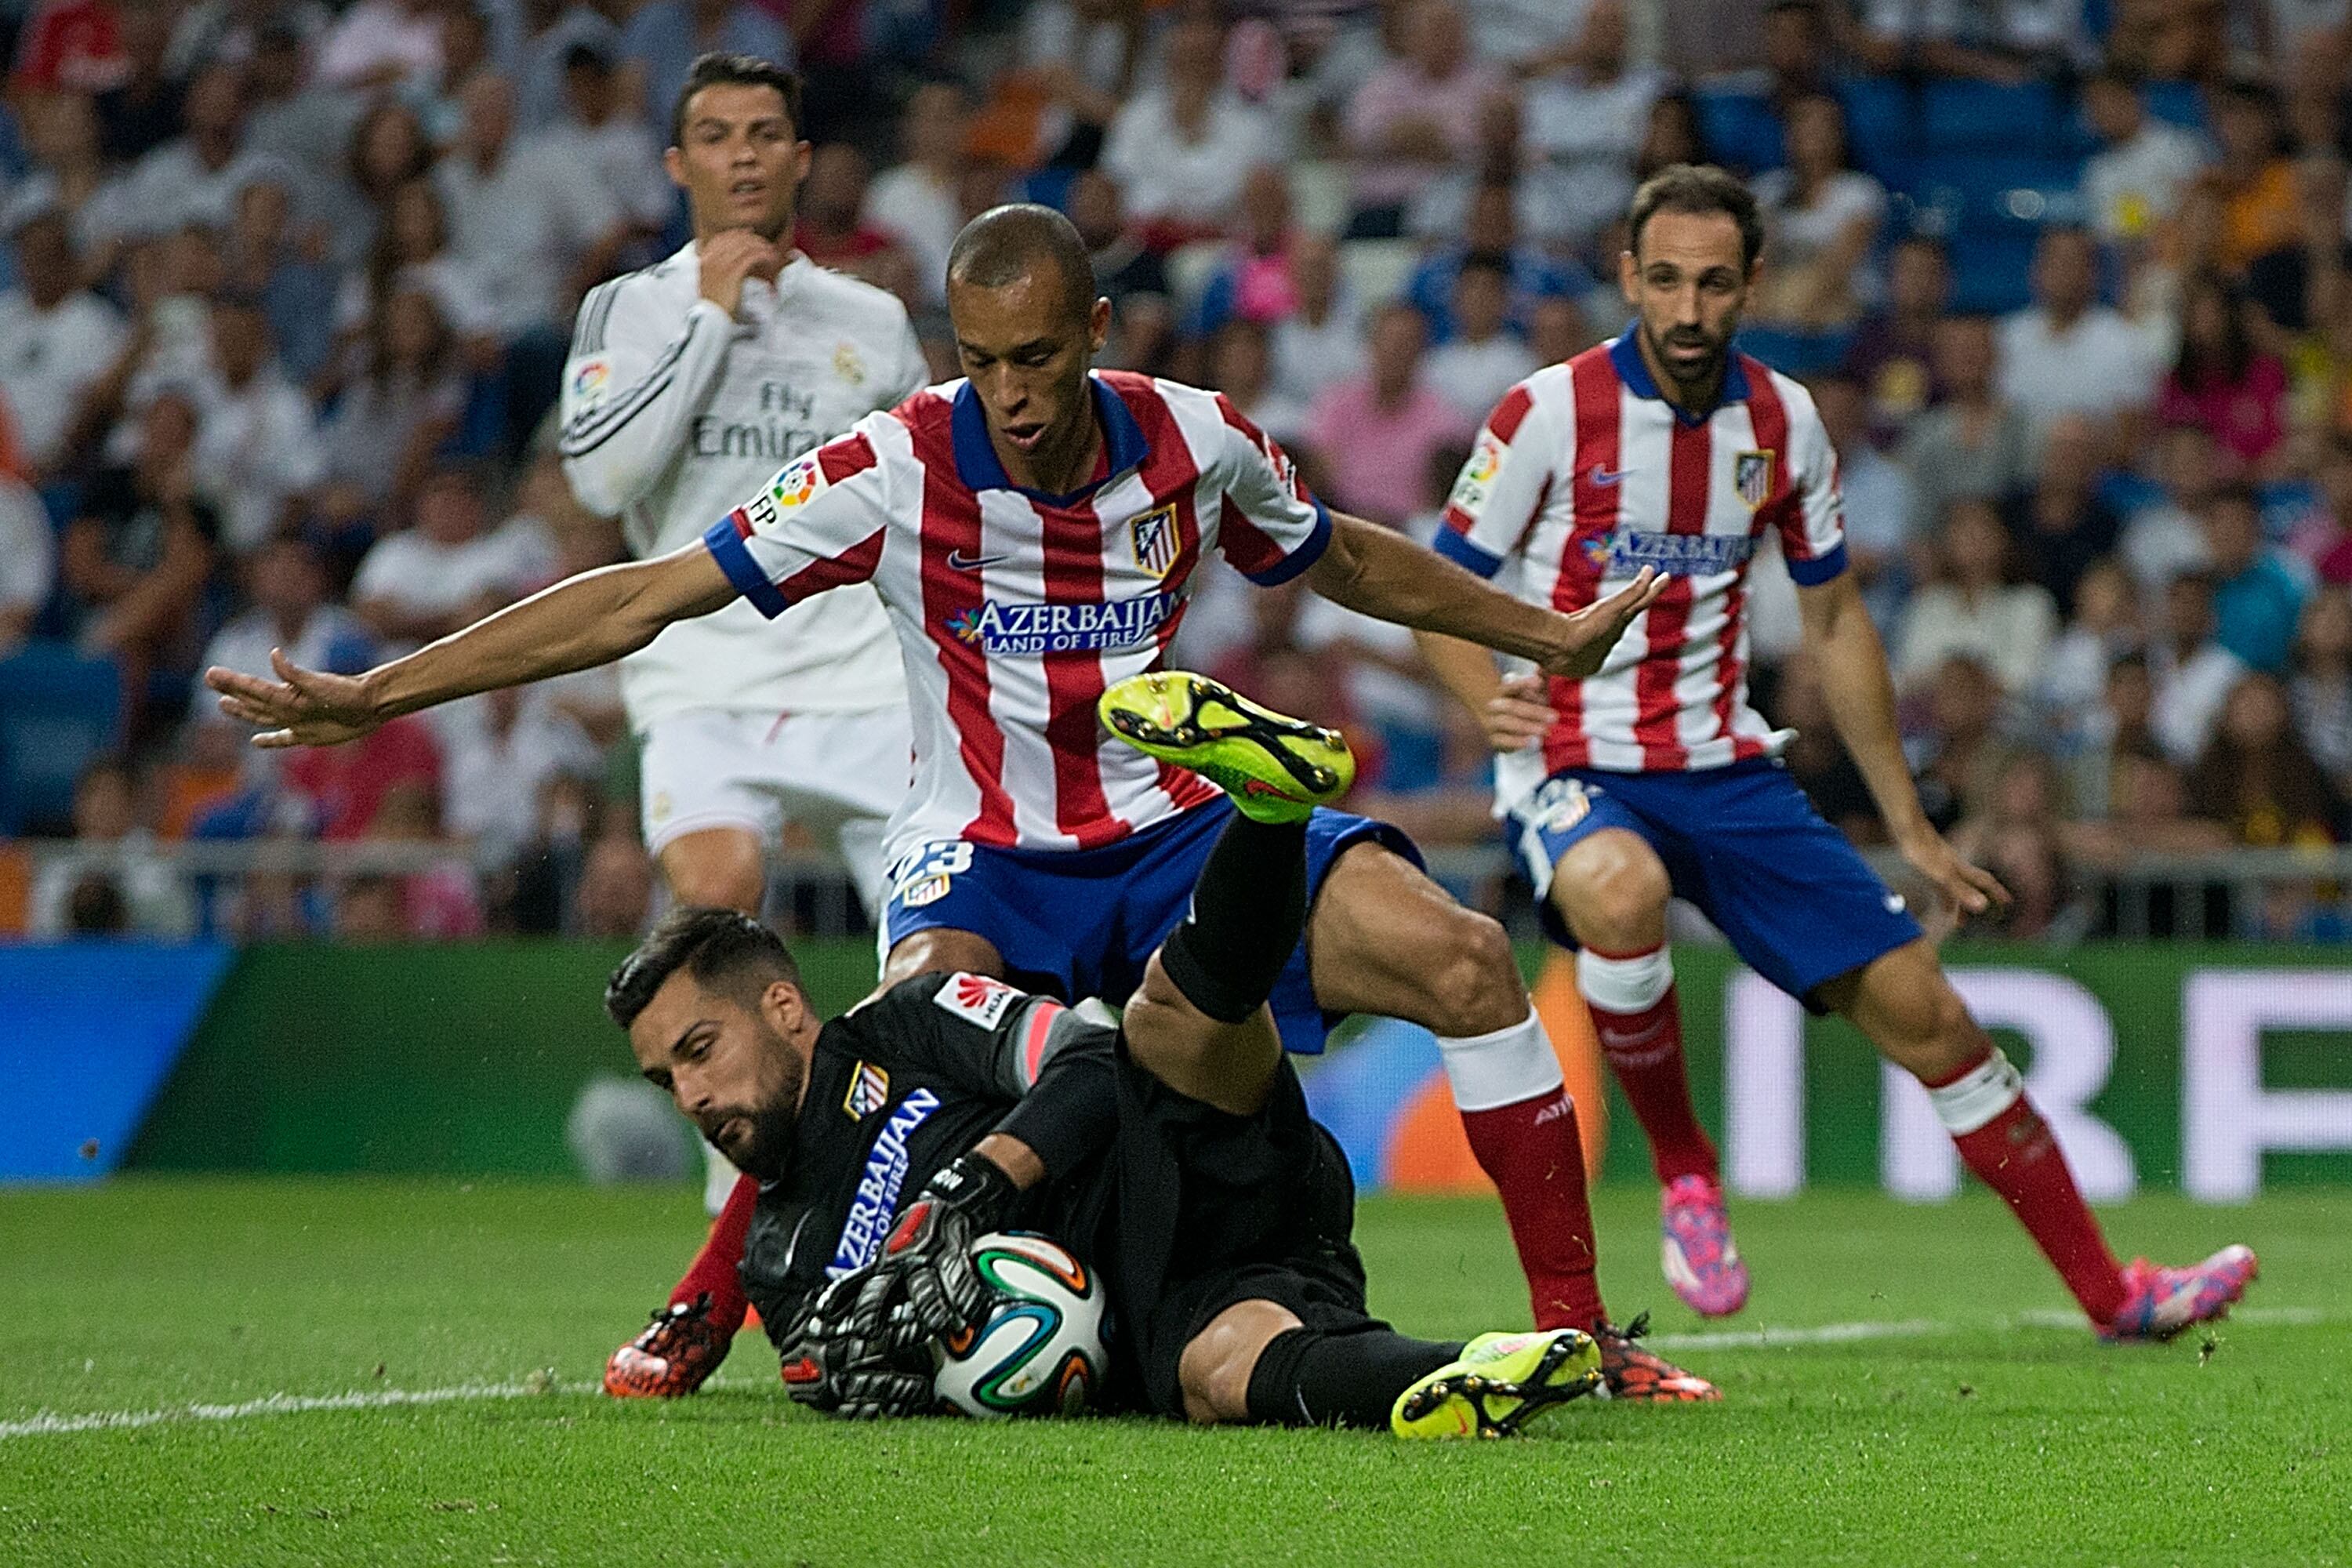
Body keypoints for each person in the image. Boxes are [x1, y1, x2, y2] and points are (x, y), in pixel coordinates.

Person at [206, 199, 1715, 1404]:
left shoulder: (1192, 437)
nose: (1014, 394)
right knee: (872, 1070)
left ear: (1095, 334)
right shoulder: (895, 463)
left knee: (1461, 961)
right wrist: (380, 690)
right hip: (982, 860)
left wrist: (1547, 634)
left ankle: (1585, 1343)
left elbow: (1350, 560)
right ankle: (701, 1309)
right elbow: (643, 599)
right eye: (985, 360)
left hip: (1168, 821)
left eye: (1040, 360)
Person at [1416, 163, 2257, 1340]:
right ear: (1628, 279)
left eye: (1714, 283)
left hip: (1725, 766)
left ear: (1754, 282)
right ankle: (1687, 1175)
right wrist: (1490, 695)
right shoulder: (1548, 412)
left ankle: (2116, 1295)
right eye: (1665, 281)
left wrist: (1909, 822)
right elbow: (1438, 587)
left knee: (1935, 1021)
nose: (1690, 309)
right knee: (1621, 888)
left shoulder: (1784, 422)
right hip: (1574, 762)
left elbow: (1835, 617)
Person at [604, 691, 1606, 1436]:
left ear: (782, 1005)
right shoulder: (778, 1261)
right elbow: (856, 1370)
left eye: (700, 1050)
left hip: (1180, 1143)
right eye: (669, 1080)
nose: (694, 1095)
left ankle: (1266, 812)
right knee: (1221, 1375)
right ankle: (1471, 1371)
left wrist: (972, 1189)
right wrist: (886, 1373)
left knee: (1160, 1017)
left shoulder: (905, 1022)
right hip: (1161, 1302)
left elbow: (1081, 1061)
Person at [556, 53, 929, 1214]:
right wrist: (712, 316)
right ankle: (747, 1231)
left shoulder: (869, 319)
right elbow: (608, 477)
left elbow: (923, 500)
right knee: (718, 916)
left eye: (766, 133)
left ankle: (948, 1198)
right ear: (680, 165)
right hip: (701, 672)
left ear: (802, 157)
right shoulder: (629, 309)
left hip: (863, 676)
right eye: (716, 135)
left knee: (940, 951)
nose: (744, 155)